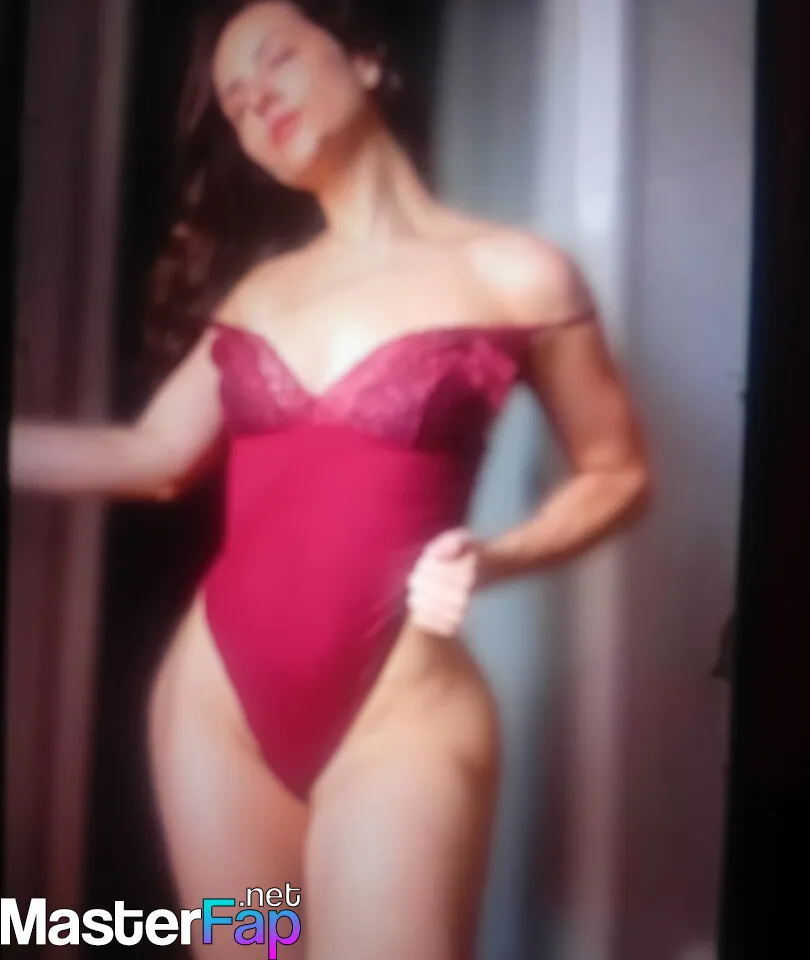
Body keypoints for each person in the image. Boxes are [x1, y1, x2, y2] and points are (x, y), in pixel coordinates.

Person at [9, 2, 651, 957]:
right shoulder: (259, 296)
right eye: (235, 103)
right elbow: (150, 458)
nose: (257, 100)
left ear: (366, 60)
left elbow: (618, 471)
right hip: (218, 710)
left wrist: (498, 556)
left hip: (402, 713)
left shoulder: (520, 274)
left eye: (277, 60)